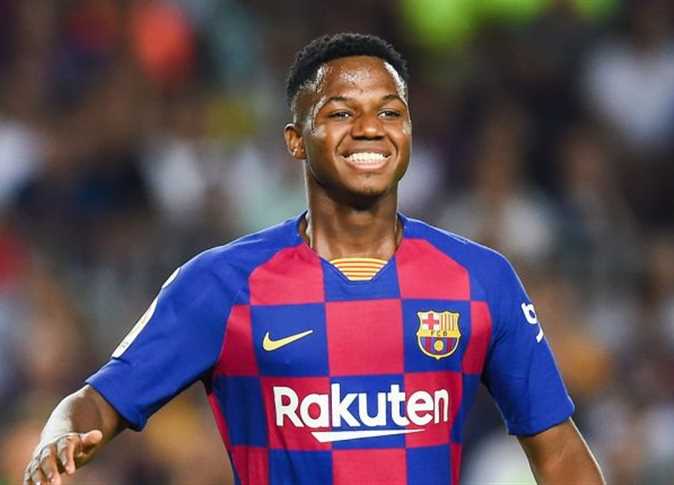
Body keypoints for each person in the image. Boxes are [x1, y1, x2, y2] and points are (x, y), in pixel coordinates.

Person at [24, 33, 605, 485]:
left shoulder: (479, 280)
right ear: (296, 139)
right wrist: (60, 434)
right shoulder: (222, 285)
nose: (370, 129)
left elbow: (558, 453)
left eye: (390, 112)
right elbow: (97, 402)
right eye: (341, 113)